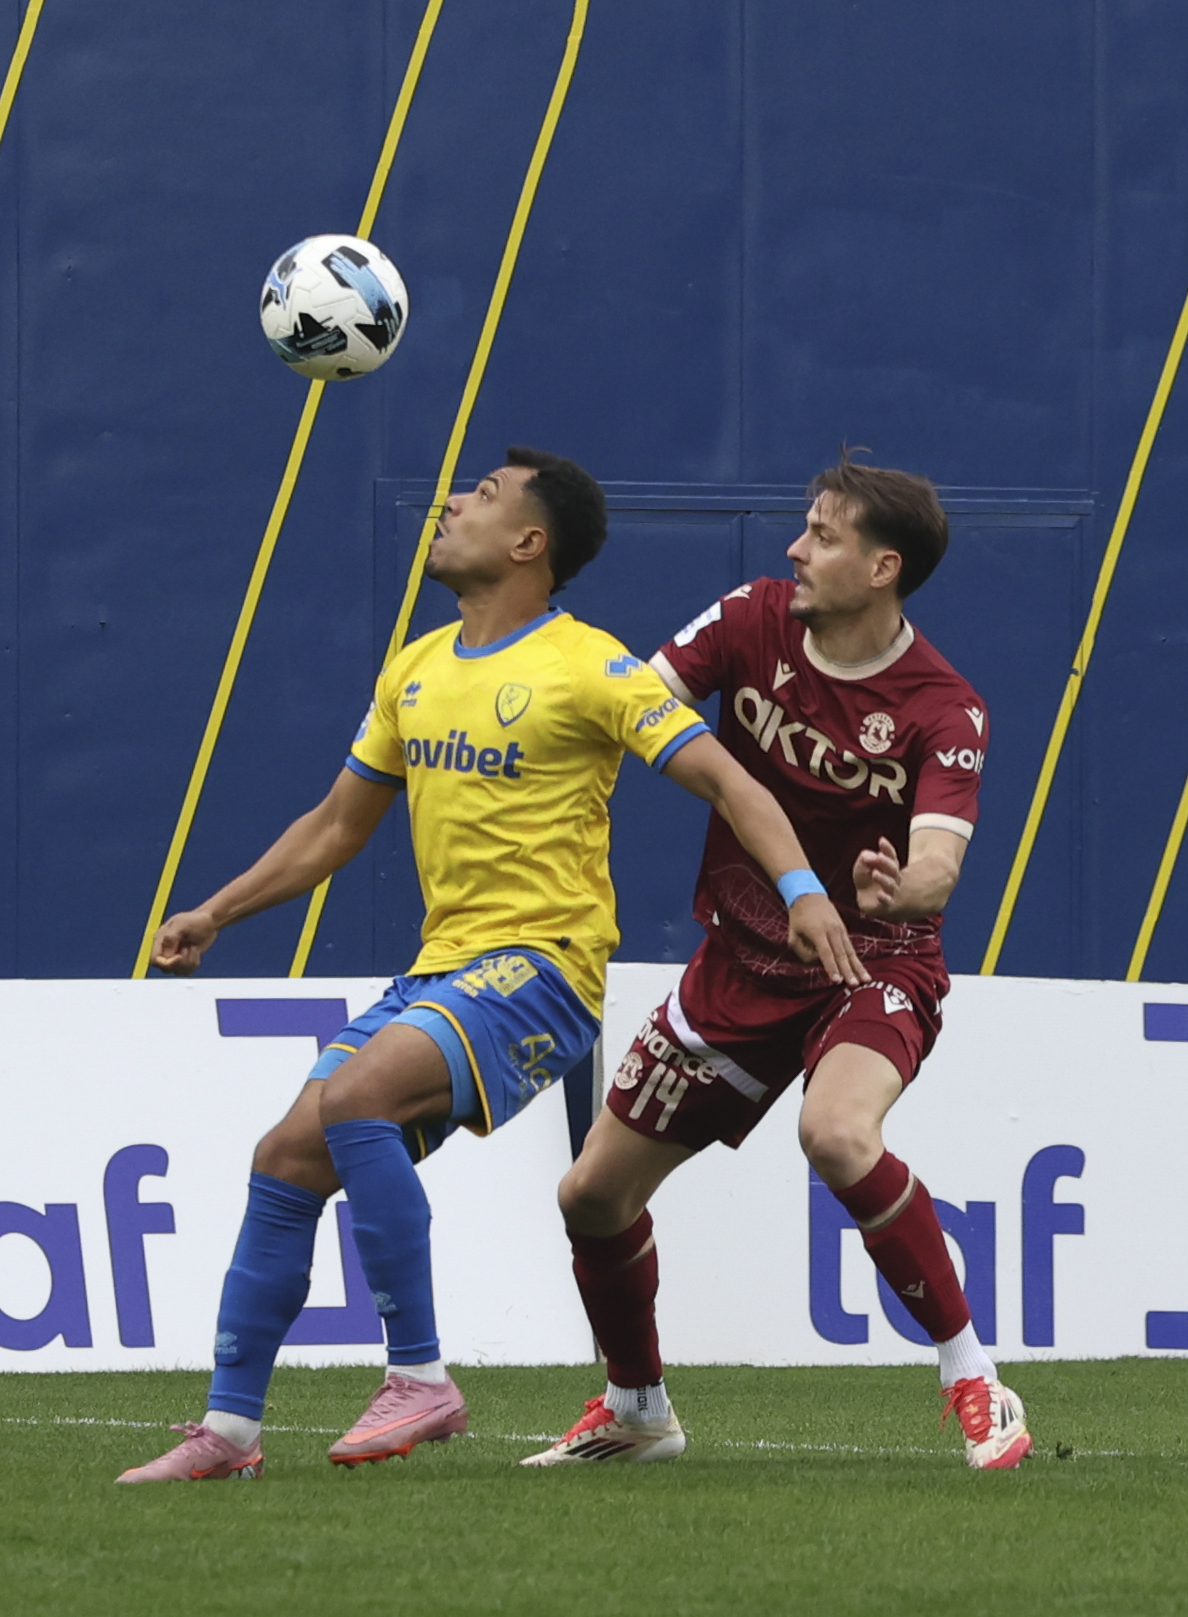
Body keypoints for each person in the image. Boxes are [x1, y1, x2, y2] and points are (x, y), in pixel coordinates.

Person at [118, 447, 864, 1483]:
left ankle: (420, 1377)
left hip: (544, 968)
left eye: (480, 495)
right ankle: (230, 1433)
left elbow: (732, 785)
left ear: (528, 542)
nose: (449, 503)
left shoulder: (590, 666)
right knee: (285, 1156)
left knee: (358, 1097)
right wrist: (216, 912)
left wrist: (803, 891)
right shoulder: (414, 669)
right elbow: (335, 827)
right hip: (442, 972)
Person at [522, 450, 1031, 1472]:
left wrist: (900, 889)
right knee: (590, 1196)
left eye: (823, 536)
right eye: (804, 529)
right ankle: (637, 1409)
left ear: (882, 568)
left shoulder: (945, 707)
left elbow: (937, 865)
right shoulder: (750, 618)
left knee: (835, 1133)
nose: (795, 549)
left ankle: (974, 1377)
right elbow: (638, 706)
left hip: (872, 961)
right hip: (742, 960)